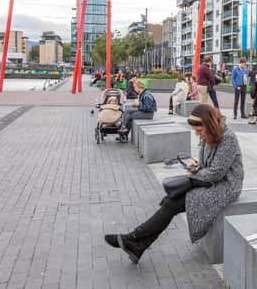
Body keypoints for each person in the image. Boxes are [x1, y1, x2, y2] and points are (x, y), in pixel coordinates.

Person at [104, 104, 244, 263]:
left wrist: (196, 174)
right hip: (211, 181)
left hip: (227, 186)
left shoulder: (228, 138)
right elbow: (208, 167)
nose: (199, 135)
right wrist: (196, 167)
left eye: (200, 131)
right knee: (170, 202)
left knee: (172, 203)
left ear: (209, 125)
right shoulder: (210, 135)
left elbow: (217, 172)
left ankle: (134, 239)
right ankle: (137, 244)